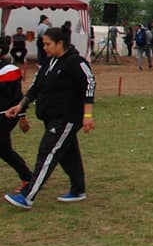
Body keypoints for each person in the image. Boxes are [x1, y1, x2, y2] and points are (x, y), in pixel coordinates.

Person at [3, 25, 95, 210]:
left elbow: (89, 85)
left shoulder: (75, 62)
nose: (44, 47)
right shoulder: (49, 62)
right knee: (68, 154)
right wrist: (21, 105)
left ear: (60, 43)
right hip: (50, 117)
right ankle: (78, 190)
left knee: (47, 153)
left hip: (67, 118)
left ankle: (27, 195)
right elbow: (37, 87)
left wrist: (87, 115)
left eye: (48, 44)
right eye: (43, 44)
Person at [0, 45, 32, 193]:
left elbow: (17, 96)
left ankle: (27, 178)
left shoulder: (9, 70)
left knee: (3, 148)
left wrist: (22, 116)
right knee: (4, 150)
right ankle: (28, 177)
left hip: (6, 114)